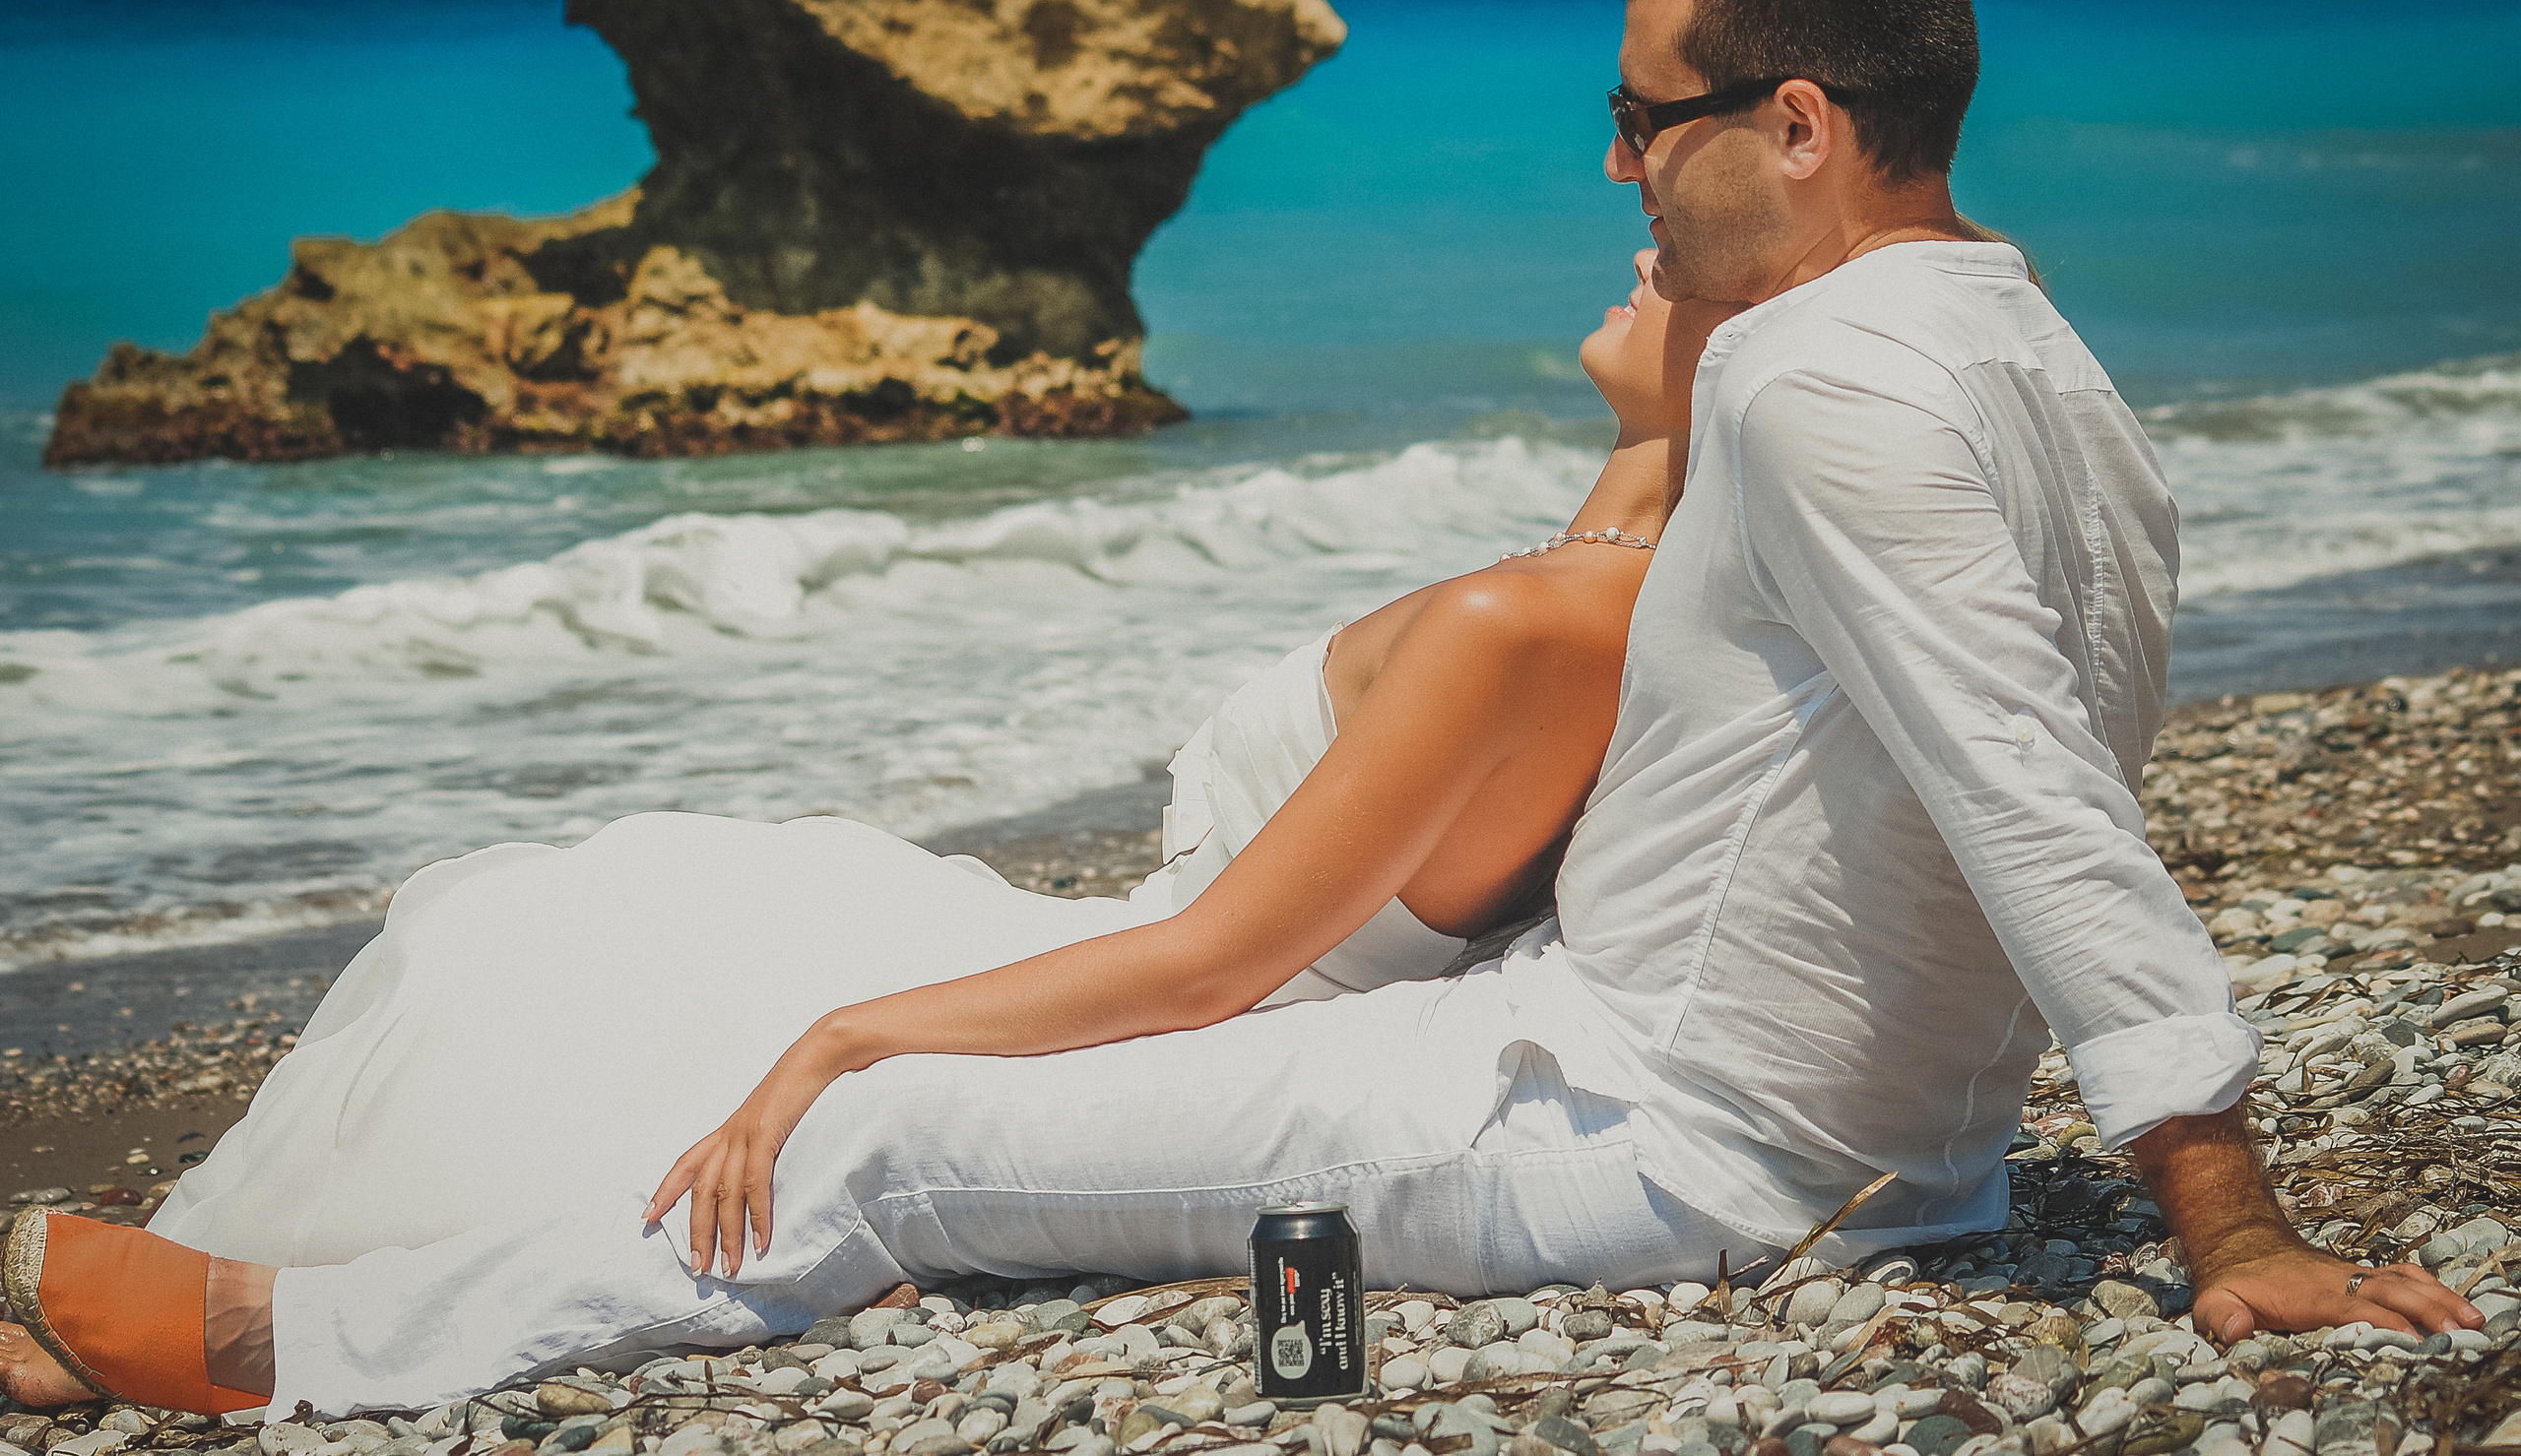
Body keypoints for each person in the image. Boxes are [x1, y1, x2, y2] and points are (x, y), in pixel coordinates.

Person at [1, 0, 2480, 1422]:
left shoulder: (1825, 383)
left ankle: (285, 1348)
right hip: (1773, 1110)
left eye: (1645, 119)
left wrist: (2219, 1206)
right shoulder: (2043, 362)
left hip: (1672, 1140)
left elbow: (2032, 782)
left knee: (884, 1135)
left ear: (1798, 122)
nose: (1613, 163)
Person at [0, 261, 1734, 1414]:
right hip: (1164, 943)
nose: (1637, 229)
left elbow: (1214, 969)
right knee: (616, 917)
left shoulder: (1555, 619)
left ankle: (262, 1325)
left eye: (1680, 243)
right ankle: (239, 1284)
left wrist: (842, 1040)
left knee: (594, 981)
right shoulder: (1625, 523)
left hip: (1182, 996)